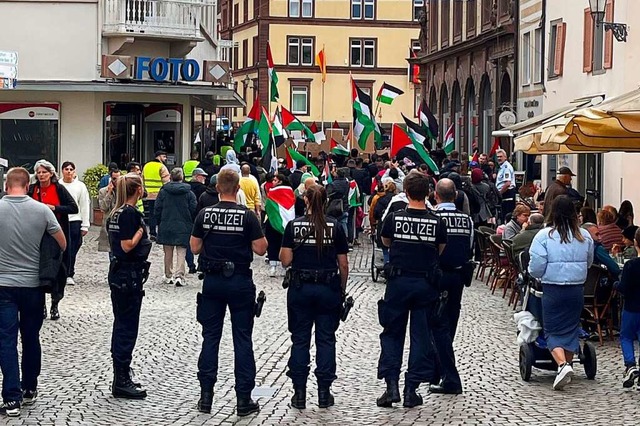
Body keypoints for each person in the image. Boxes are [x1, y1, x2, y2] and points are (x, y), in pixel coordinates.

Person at [377, 172, 461, 408]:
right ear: (428, 194)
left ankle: (391, 386)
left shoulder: (394, 218)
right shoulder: (437, 222)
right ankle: (412, 388)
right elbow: (440, 249)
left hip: (398, 283)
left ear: (406, 191)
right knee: (421, 337)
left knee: (392, 334)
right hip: (426, 284)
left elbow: (385, 242)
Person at [190, 169, 268, 416]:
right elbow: (261, 249)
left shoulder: (205, 213)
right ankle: (244, 400)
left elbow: (194, 247)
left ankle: (205, 397)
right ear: (237, 189)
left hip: (212, 282)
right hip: (239, 282)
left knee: (210, 338)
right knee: (242, 340)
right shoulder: (246, 216)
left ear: (217, 188)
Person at [0, 167, 67, 417]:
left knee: (5, 340)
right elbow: (62, 243)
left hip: (3, 285)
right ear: (28, 186)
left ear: (7, 185)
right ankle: (30, 387)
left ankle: (11, 397)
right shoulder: (41, 210)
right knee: (30, 337)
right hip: (32, 285)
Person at [279, 184, 349, 409]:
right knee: (326, 339)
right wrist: (342, 288)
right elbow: (344, 264)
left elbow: (285, 261)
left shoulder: (294, 226)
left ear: (306, 201)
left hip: (301, 288)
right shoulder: (335, 227)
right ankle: (324, 392)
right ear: (325, 202)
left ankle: (299, 393)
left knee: (300, 339)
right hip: (328, 287)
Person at [528, 195, 594, 391]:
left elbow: (537, 266)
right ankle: (566, 365)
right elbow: (589, 262)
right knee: (571, 327)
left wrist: (534, 274)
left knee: (553, 330)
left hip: (553, 288)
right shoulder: (584, 236)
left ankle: (562, 365)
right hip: (576, 288)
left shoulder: (544, 236)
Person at [106, 172, 152, 399]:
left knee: (121, 324)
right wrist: (141, 232)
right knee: (127, 327)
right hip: (128, 274)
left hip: (120, 274)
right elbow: (126, 246)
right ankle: (121, 378)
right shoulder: (130, 215)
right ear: (138, 190)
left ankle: (122, 374)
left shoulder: (115, 213)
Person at [29, 159, 78, 320]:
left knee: (58, 270)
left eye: (44, 172)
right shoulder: (32, 189)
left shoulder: (59, 189)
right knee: (38, 271)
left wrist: (54, 208)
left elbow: (73, 207)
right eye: (39, 172)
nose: (41, 175)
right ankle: (41, 305)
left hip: (57, 235)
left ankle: (55, 304)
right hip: (36, 235)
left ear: (51, 173)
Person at [433, 178, 474, 340]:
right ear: (456, 195)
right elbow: (470, 247)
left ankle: (436, 347)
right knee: (453, 312)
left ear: (436, 196)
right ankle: (447, 345)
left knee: (433, 313)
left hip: (435, 274)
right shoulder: (467, 220)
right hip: (458, 274)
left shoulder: (433, 217)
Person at [155, 168, 197, 287]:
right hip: (184, 225)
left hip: (166, 224)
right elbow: (194, 208)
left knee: (167, 251)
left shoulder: (163, 191)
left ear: (171, 177)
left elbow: (158, 208)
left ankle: (168, 275)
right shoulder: (189, 192)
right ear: (182, 177)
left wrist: (159, 222)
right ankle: (179, 275)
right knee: (181, 251)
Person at [59, 161, 91, 286]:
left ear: (74, 171)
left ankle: (69, 272)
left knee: (73, 247)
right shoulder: (58, 185)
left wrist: (85, 224)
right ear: (62, 171)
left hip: (75, 221)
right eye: (66, 169)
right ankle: (60, 272)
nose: (69, 171)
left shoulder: (80, 186)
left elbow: (84, 205)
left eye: (71, 169)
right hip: (61, 220)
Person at [616, 227, 640, 388]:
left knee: (626, 336)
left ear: (636, 243)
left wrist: (615, 284)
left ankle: (630, 365)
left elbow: (624, 287)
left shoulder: (631, 266)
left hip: (632, 307)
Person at [265, 175, 294, 277]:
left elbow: (267, 206)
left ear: (280, 181)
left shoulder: (272, 192)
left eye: (275, 180)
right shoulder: (291, 192)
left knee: (272, 243)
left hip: (273, 222)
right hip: (288, 224)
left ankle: (273, 266)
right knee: (285, 244)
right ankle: (285, 266)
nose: (273, 182)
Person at [142, 150, 170, 240]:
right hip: (159, 195)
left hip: (149, 195)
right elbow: (167, 182)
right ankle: (161, 233)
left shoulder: (146, 166)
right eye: (164, 156)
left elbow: (142, 179)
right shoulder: (162, 167)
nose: (165, 159)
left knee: (151, 215)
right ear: (159, 157)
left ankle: (152, 233)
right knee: (161, 214)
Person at [495, 149, 515, 223]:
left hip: (507, 195)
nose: (499, 158)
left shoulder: (506, 167)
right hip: (505, 194)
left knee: (506, 217)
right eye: (498, 157)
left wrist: (499, 194)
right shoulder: (501, 167)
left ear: (505, 157)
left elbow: (507, 184)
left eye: (501, 156)